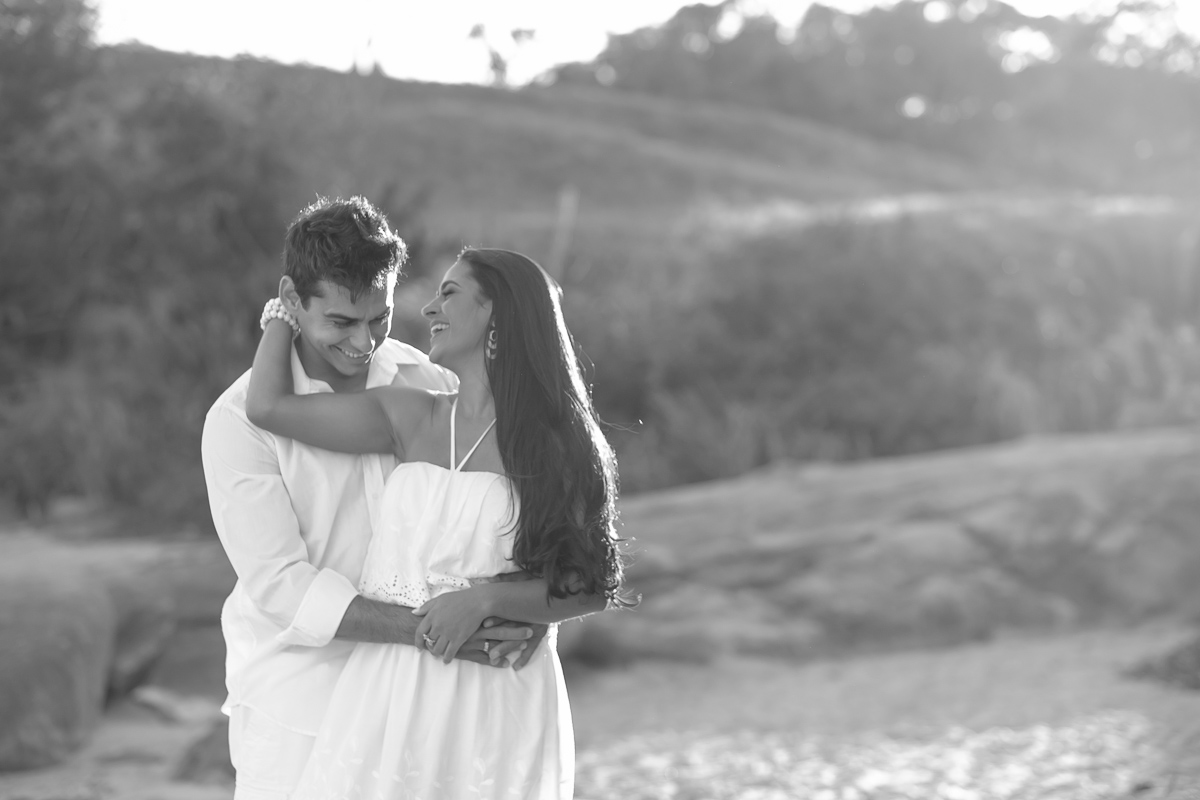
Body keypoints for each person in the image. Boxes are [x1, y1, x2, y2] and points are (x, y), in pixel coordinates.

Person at [245, 246, 630, 799]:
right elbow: (268, 408)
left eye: (449, 293)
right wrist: (281, 313)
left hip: (494, 698)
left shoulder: (558, 444)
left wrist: (485, 601)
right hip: (388, 686)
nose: (429, 309)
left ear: (499, 312)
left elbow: (589, 587)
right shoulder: (410, 415)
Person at [201, 197, 541, 800]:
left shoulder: (427, 379)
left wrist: (519, 616)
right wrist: (440, 631)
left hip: (422, 690)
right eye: (340, 322)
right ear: (291, 297)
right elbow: (282, 585)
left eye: (378, 318)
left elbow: (485, 517)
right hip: (298, 695)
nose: (364, 342)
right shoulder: (237, 422)